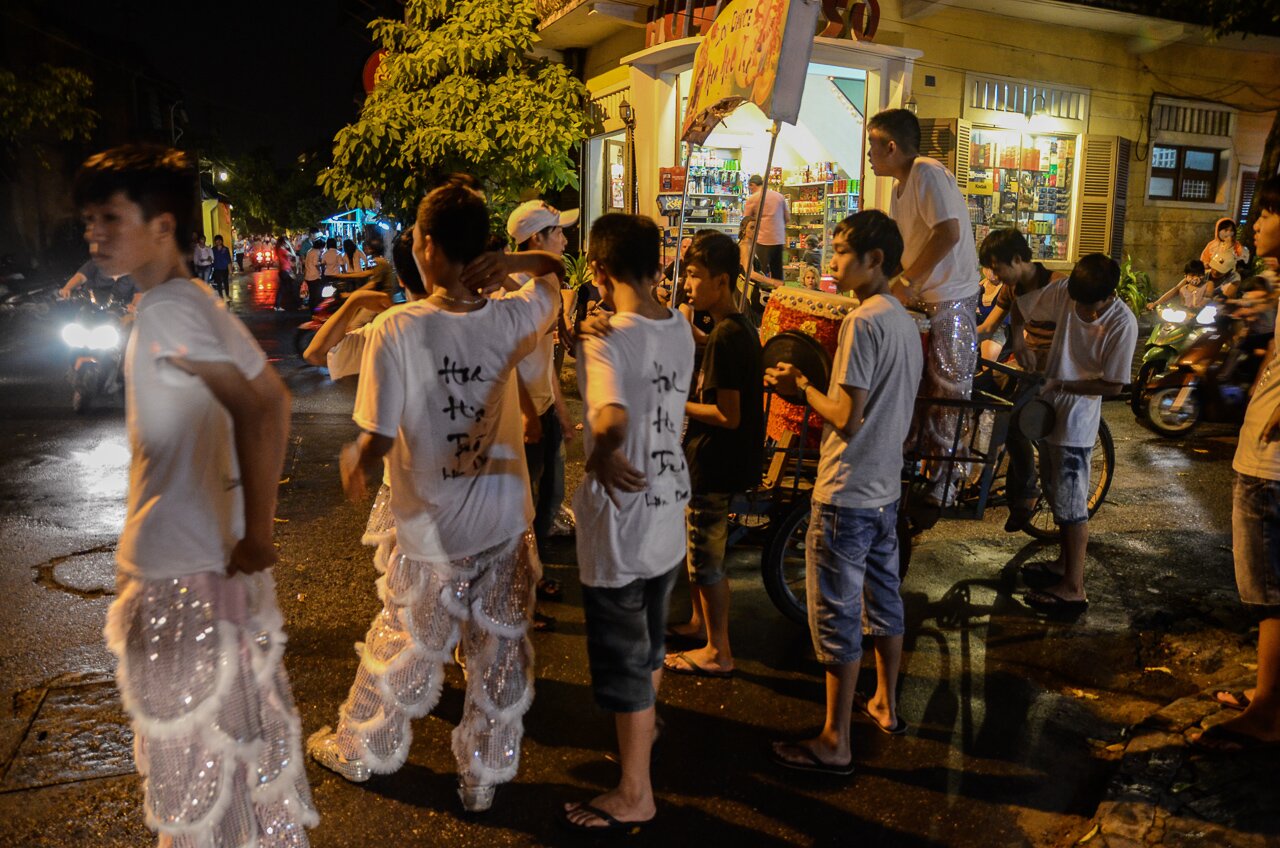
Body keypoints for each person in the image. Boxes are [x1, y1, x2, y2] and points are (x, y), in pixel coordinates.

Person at [75, 144, 315, 845]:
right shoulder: (190, 301)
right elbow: (274, 401)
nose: (95, 233)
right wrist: (250, 531)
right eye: (89, 218)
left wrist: (260, 533)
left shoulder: (169, 312)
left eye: (111, 217)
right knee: (234, 759)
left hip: (181, 575)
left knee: (193, 774)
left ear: (163, 224)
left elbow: (258, 408)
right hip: (207, 568)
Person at [306, 181, 564, 813]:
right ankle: (481, 779)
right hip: (504, 521)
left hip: (431, 530)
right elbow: (555, 274)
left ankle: (362, 750)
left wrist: (356, 461)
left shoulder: (398, 328)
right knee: (497, 655)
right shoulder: (513, 315)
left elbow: (375, 432)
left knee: (403, 640)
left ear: (423, 246)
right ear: (482, 248)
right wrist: (518, 265)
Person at [764, 209, 923, 775]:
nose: (832, 262)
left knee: (835, 616)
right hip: (884, 492)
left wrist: (800, 384)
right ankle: (885, 703)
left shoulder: (863, 322)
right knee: (884, 601)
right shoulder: (903, 320)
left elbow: (846, 416)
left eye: (840, 252)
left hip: (846, 491)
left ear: (874, 260)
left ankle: (835, 741)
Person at [564, 213, 693, 833]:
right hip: (669, 514)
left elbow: (612, 417)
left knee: (624, 663)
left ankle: (634, 793)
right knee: (652, 643)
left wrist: (599, 455)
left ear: (598, 269)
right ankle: (648, 725)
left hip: (624, 522)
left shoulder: (606, 339)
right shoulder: (682, 327)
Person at [1192, 176, 1280, 752]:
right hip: (1264, 452)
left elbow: (1234, 311)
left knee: (1271, 591)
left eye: (1264, 213)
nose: (1252, 225)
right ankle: (1269, 694)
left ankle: (1269, 713)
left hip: (1270, 465)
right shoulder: (1272, 283)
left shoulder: (1272, 280)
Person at [867, 108, 981, 505]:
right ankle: (915, 464)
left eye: (873, 145)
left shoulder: (927, 172)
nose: (869, 154)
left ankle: (949, 478)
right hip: (924, 299)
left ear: (892, 146)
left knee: (948, 387)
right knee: (916, 385)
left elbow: (947, 232)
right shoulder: (901, 186)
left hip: (951, 296)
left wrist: (908, 282)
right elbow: (911, 247)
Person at [663, 231, 763, 679]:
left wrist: (672, 402)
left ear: (721, 281)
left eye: (696, 276)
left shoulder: (726, 337)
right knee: (699, 552)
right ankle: (699, 625)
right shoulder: (735, 327)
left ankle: (718, 650)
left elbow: (728, 414)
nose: (687, 284)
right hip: (717, 459)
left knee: (706, 556)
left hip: (715, 460)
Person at [1021, 254, 1138, 616]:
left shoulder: (1122, 323)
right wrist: (1022, 343)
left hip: (1077, 422)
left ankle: (1074, 588)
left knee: (1072, 508)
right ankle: (1062, 564)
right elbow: (1021, 305)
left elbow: (1115, 386)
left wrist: (1065, 383)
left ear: (1108, 296)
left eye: (1090, 305)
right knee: (1055, 492)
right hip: (1048, 409)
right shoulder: (1065, 293)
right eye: (1078, 301)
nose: (1082, 310)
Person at [505, 199, 579, 624]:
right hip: (522, 420)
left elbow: (544, 357)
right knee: (524, 508)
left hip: (544, 411)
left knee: (548, 501)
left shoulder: (543, 288)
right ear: (536, 239)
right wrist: (530, 414)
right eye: (557, 232)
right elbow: (506, 362)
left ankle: (533, 575)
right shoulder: (513, 293)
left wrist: (560, 412)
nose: (565, 239)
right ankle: (517, 593)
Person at [976, 228, 1070, 531]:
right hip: (1024, 363)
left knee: (1015, 421)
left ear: (1017, 259)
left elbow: (1075, 334)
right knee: (979, 393)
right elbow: (991, 326)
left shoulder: (1059, 286)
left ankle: (1027, 493)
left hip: (1055, 370)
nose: (995, 275)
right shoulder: (1012, 287)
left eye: (997, 267)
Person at [742, 174, 789, 281]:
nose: (750, 190)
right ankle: (777, 295)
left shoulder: (753, 199)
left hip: (762, 241)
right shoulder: (779, 196)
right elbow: (787, 218)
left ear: (753, 185)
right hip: (778, 241)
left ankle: (761, 296)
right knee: (777, 274)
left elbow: (746, 221)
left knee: (760, 273)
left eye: (750, 188)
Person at [328, 234, 397, 297]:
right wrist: (344, 275)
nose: (366, 249)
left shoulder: (380, 262)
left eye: (368, 247)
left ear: (372, 250)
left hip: (382, 299)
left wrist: (351, 294)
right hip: (379, 297)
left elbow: (372, 284)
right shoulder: (378, 261)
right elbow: (365, 273)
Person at [58, 257, 139, 307]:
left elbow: (139, 294)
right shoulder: (99, 262)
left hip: (117, 312)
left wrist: (134, 306)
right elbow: (80, 277)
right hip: (89, 305)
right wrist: (67, 288)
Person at [274, 236, 299, 311]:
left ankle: (277, 306)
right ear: (284, 242)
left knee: (284, 288)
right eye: (286, 242)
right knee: (293, 287)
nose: (287, 243)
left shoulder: (280, 249)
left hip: (284, 270)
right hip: (286, 271)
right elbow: (293, 255)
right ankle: (298, 305)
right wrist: (290, 245)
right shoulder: (282, 250)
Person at [210, 234, 233, 302]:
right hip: (217, 268)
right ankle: (221, 296)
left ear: (222, 241)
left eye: (219, 240)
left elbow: (229, 260)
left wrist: (230, 271)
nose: (218, 242)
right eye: (216, 240)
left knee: (226, 283)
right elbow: (211, 258)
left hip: (224, 268)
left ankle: (227, 295)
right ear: (215, 241)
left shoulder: (225, 249)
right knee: (219, 283)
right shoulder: (213, 249)